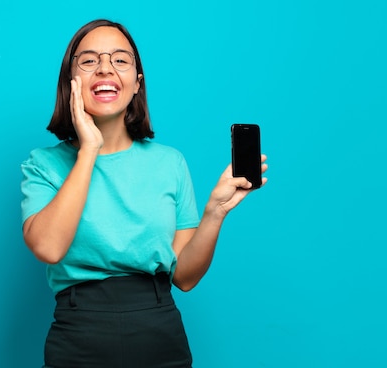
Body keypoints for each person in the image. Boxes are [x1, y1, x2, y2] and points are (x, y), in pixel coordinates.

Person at [20, 19, 268, 368]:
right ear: (70, 81)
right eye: (89, 60)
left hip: (158, 329)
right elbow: (48, 246)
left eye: (120, 60)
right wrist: (90, 147)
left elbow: (184, 277)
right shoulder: (44, 165)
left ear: (137, 83)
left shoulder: (169, 163)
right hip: (79, 332)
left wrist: (215, 212)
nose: (105, 68)